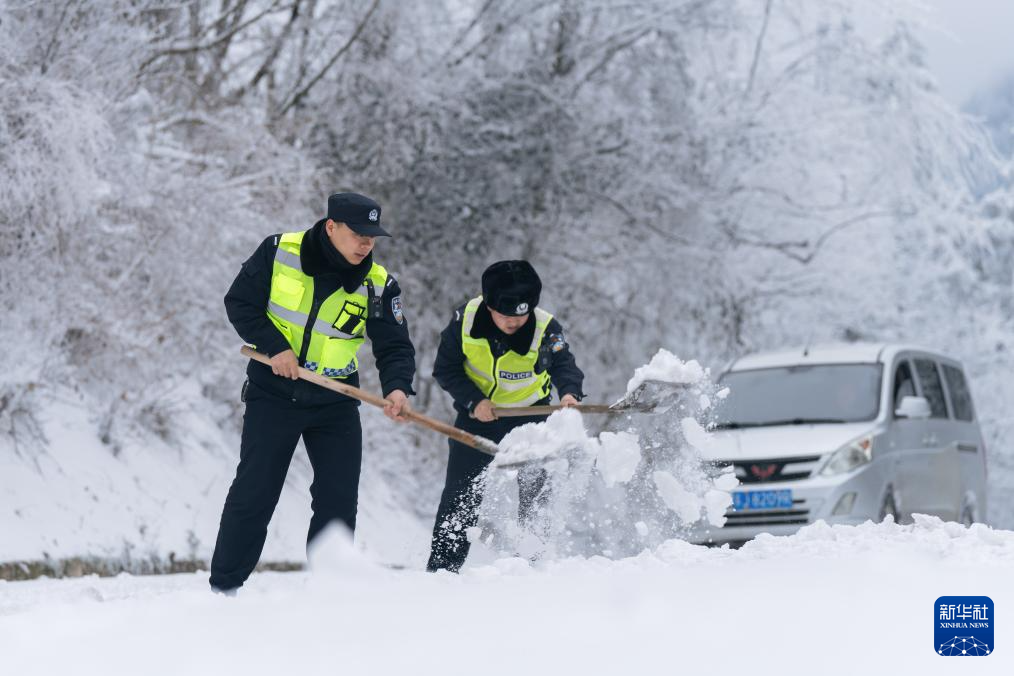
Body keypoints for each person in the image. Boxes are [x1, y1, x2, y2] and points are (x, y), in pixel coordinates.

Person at [209, 192, 416, 593]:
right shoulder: (278, 251)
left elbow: (394, 346)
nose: (366, 245)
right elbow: (240, 304)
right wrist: (276, 348)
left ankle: (328, 591)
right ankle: (225, 589)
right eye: (358, 234)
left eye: (372, 238)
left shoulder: (378, 286)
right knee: (255, 490)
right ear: (331, 226)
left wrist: (397, 389)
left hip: (336, 401)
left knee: (338, 500)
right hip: (274, 391)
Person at [426, 260, 584, 572]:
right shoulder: (464, 321)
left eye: (522, 315)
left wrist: (569, 394)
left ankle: (533, 566)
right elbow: (445, 369)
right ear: (488, 305)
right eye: (506, 315)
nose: (515, 322)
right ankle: (442, 571)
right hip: (479, 417)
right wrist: (474, 401)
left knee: (536, 497)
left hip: (532, 419)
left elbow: (565, 365)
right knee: (461, 495)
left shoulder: (546, 328)